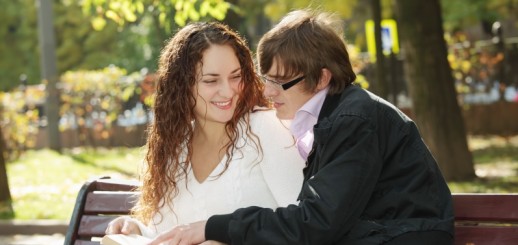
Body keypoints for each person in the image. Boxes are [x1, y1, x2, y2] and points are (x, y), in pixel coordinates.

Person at [150, 9, 454, 245]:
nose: (267, 93)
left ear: (321, 79)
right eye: (266, 79)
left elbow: (314, 223)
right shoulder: (331, 120)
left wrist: (213, 227)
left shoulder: (355, 121)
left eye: (281, 83)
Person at [105, 22, 305, 238]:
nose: (228, 91)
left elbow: (305, 228)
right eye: (211, 80)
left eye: (236, 77)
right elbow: (170, 234)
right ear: (182, 86)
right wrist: (137, 231)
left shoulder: (265, 129)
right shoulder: (176, 147)